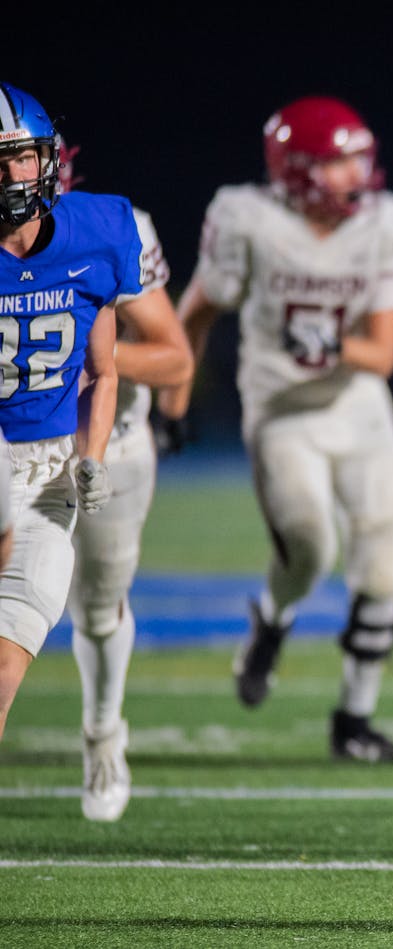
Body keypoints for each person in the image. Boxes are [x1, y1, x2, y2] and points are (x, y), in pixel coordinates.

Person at [156, 96, 393, 762]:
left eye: (358, 157)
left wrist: (332, 341)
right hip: (280, 409)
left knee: (387, 559)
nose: (355, 174)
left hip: (359, 403)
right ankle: (271, 621)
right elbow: (194, 312)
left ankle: (354, 720)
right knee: (309, 549)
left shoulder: (392, 222)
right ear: (298, 169)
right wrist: (172, 400)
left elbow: (384, 352)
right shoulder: (247, 219)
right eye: (337, 162)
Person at [55, 138, 194, 820]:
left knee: (99, 605)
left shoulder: (113, 228)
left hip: (109, 444)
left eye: (19, 159)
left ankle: (103, 731)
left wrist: (96, 360)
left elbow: (174, 358)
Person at [0, 82, 129, 742]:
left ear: (46, 159)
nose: (10, 174)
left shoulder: (97, 233)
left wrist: (93, 456)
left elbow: (103, 371)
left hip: (47, 484)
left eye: (20, 156)